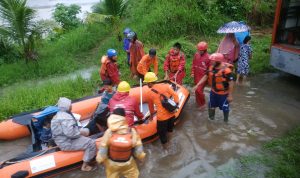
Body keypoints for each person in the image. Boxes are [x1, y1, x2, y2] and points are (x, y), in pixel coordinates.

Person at [96, 108, 146, 178]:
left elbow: (103, 149)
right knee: (134, 175)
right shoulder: (131, 131)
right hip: (128, 163)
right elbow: (138, 151)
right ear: (124, 118)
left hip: (112, 164)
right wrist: (141, 158)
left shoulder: (109, 132)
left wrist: (99, 160)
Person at [51, 97, 97, 171]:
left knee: (85, 132)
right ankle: (85, 166)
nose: (71, 106)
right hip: (67, 142)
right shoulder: (66, 118)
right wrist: (82, 132)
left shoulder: (57, 115)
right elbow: (71, 134)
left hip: (61, 140)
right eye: (70, 105)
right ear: (66, 106)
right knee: (91, 143)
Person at [193, 53, 234, 122]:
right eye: (211, 60)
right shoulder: (211, 68)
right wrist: (197, 85)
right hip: (213, 92)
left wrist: (230, 95)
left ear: (218, 61)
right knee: (211, 106)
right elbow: (206, 76)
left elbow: (231, 83)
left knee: (225, 108)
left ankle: (226, 122)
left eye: (213, 61)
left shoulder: (227, 71)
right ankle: (211, 120)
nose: (211, 62)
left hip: (223, 94)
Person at [144, 72, 179, 149]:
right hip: (171, 113)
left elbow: (151, 108)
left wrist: (151, 117)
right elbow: (176, 95)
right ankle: (170, 143)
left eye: (146, 83)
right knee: (170, 130)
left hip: (162, 118)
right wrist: (176, 105)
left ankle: (166, 150)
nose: (146, 85)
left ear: (150, 83)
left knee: (162, 136)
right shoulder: (166, 86)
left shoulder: (149, 93)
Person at [191, 41, 210, 109]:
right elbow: (193, 64)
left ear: (205, 50)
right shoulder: (196, 55)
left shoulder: (208, 57)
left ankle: (202, 104)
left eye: (201, 50)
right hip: (196, 75)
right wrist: (192, 72)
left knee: (198, 90)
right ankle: (198, 102)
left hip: (203, 77)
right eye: (198, 50)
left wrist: (208, 78)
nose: (199, 51)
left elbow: (209, 71)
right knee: (197, 90)